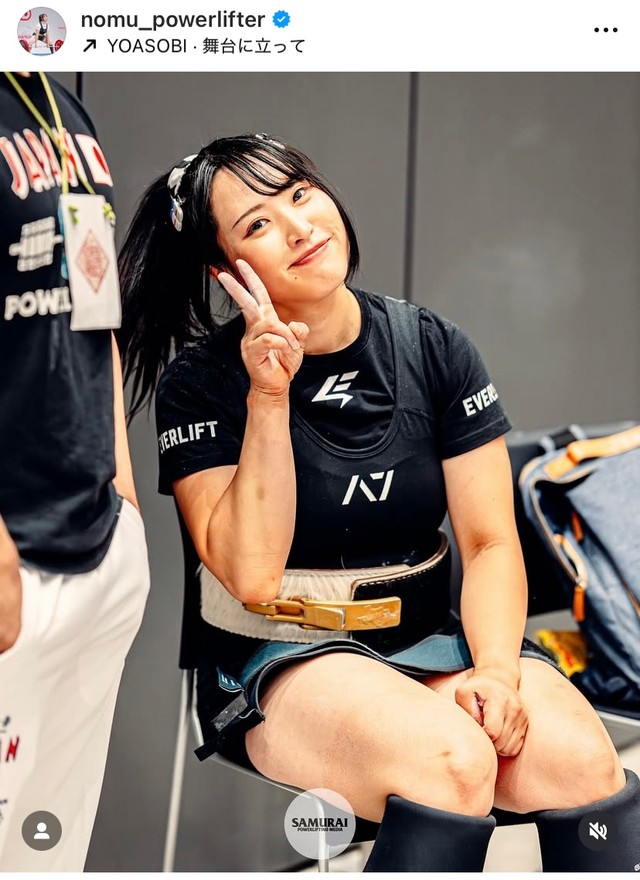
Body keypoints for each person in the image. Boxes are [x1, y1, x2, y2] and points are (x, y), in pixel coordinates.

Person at [118, 133, 639, 872]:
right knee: (454, 765)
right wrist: (269, 396)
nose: (299, 226)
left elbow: (490, 543)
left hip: (430, 637)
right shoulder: (202, 385)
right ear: (225, 271)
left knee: (585, 765)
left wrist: (496, 670)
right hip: (277, 654)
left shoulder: (433, 346)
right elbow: (252, 575)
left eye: (300, 194)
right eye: (258, 223)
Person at [0, 72, 150, 870]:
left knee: (47, 850)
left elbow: (94, 303)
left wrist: (121, 489)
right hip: (12, 561)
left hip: (97, 540)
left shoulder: (54, 101)